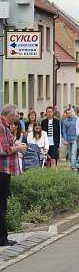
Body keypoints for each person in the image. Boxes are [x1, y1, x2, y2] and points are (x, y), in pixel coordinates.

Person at [0, 105, 27, 246]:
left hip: (5, 171)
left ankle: (3, 237)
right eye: (16, 114)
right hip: (2, 171)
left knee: (2, 204)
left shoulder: (5, 127)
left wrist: (16, 144)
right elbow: (3, 150)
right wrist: (19, 148)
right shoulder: (1, 127)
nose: (17, 117)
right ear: (9, 115)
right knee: (1, 205)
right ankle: (2, 239)